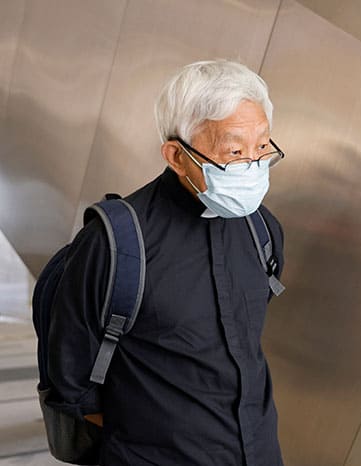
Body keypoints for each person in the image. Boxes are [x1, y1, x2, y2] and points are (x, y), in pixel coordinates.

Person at [46, 60, 286, 465]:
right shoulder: (116, 244)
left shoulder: (262, 231)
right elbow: (70, 379)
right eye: (233, 151)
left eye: (262, 146)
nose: (253, 165)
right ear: (176, 155)